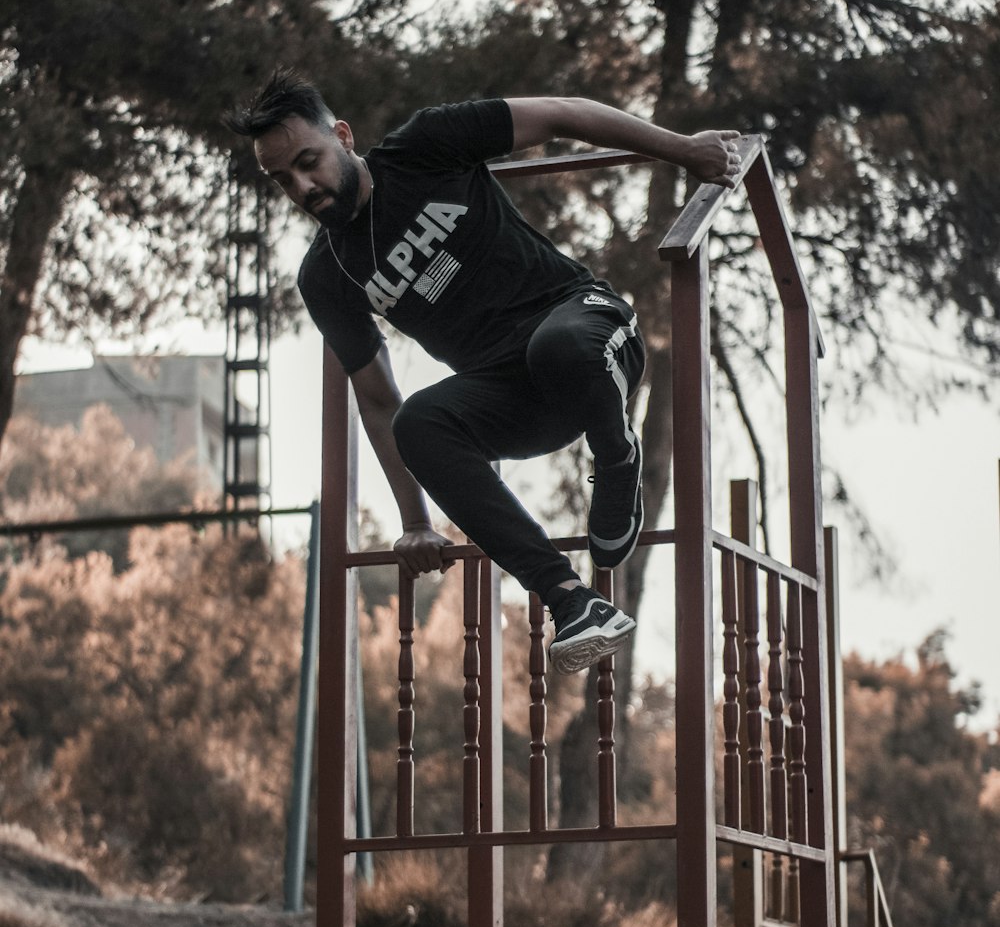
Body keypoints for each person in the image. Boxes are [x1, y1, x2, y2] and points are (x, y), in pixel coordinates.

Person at [226, 72, 740, 673]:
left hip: (592, 336)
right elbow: (377, 400)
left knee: (559, 345)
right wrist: (415, 522)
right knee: (419, 421)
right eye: (282, 179)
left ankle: (618, 460)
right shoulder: (326, 275)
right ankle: (571, 601)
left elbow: (561, 112)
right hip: (518, 401)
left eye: (309, 162)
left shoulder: (423, 146)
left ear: (342, 135)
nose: (303, 185)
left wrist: (684, 149)